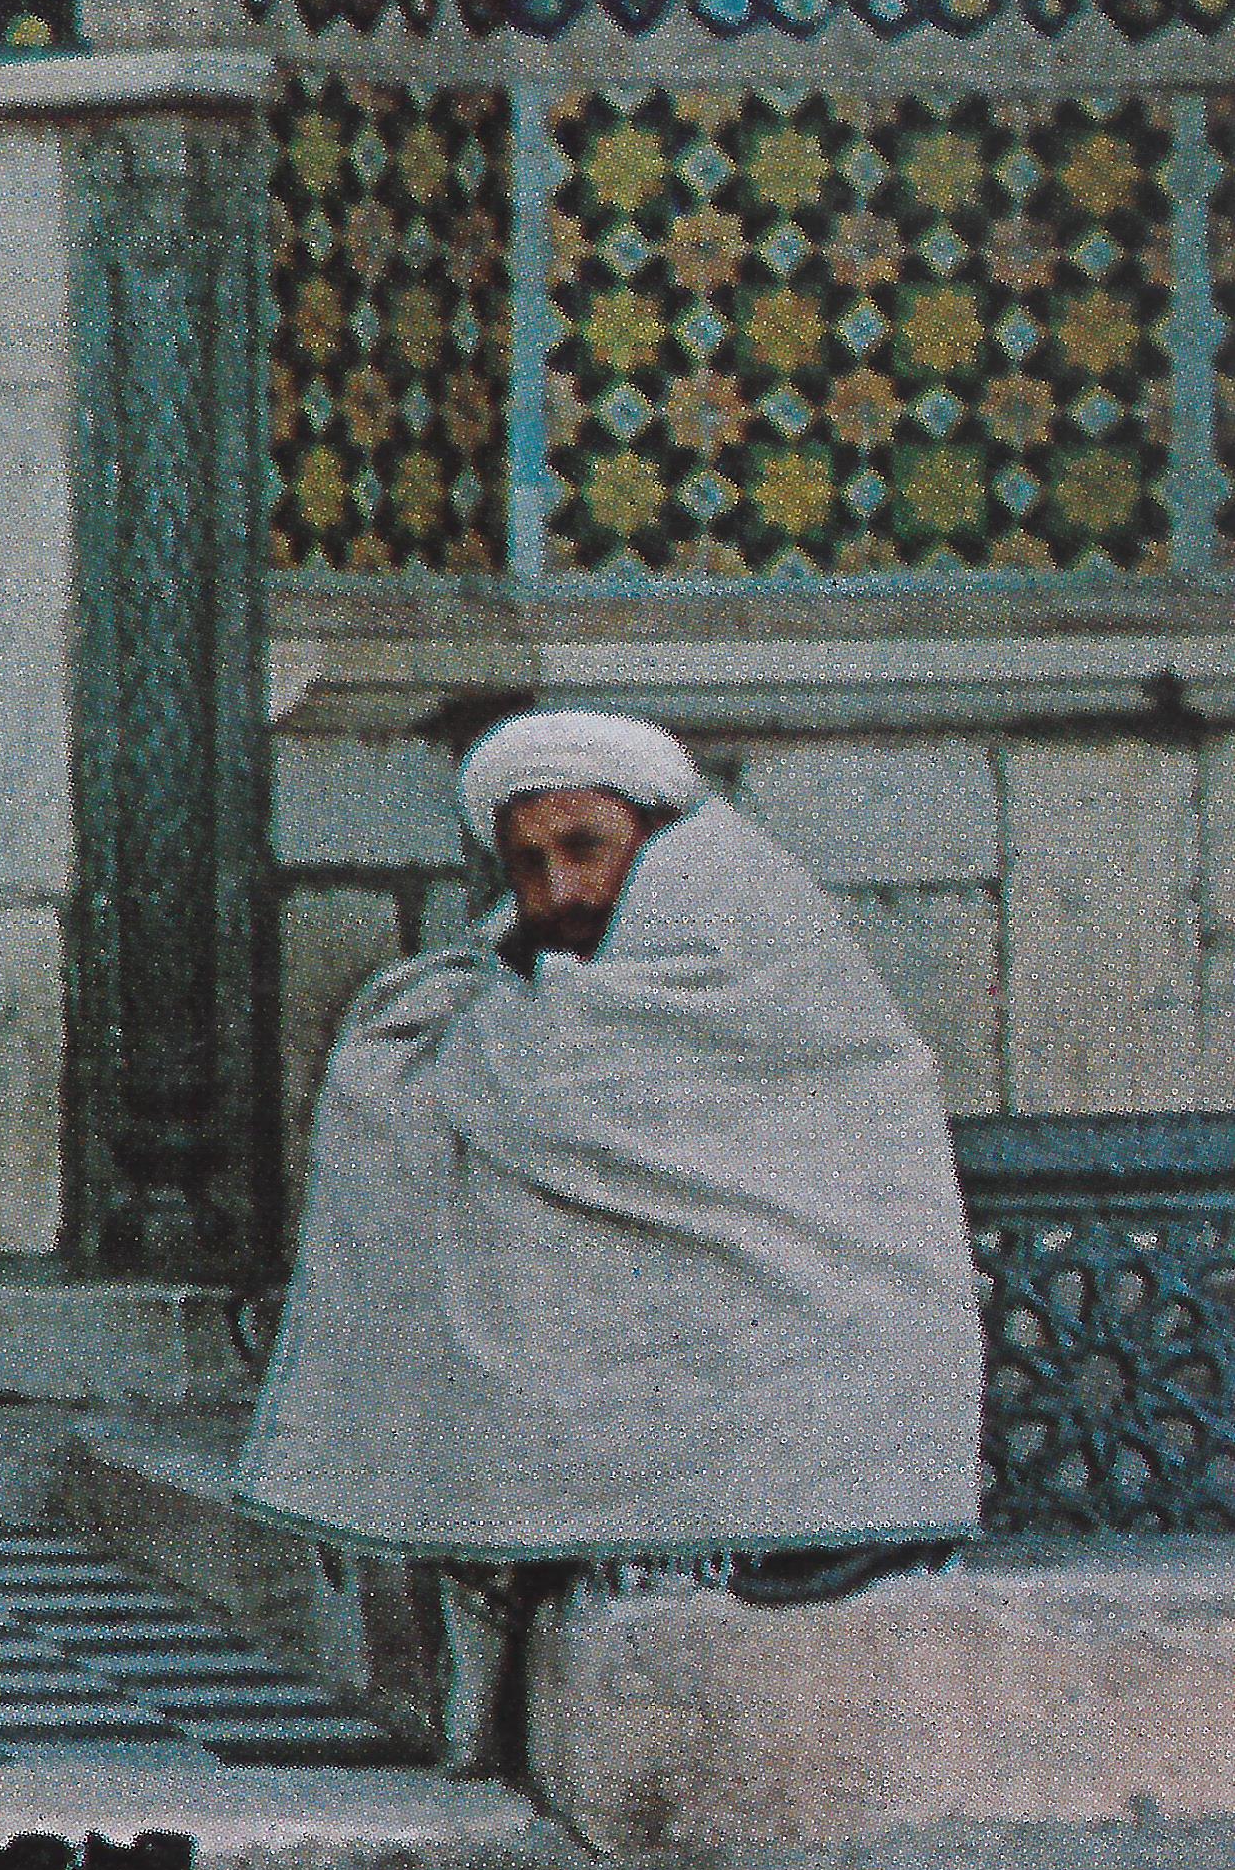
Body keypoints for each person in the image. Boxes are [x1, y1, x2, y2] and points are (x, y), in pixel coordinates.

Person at [238, 708, 982, 1767]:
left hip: (829, 1351)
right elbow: (545, 1073)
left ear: (657, 835)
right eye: (527, 864)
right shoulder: (538, 969)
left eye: (586, 849)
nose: (559, 895)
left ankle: (833, 1507)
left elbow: (672, 1107)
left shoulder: (742, 927)